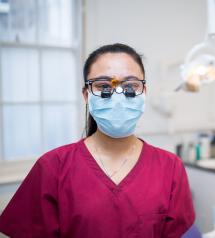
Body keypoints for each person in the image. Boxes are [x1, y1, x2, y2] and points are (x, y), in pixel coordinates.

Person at [0, 43, 195, 237]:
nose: (118, 97)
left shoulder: (170, 167)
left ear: (143, 92)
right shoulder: (53, 167)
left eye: (130, 86)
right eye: (103, 86)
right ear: (86, 95)